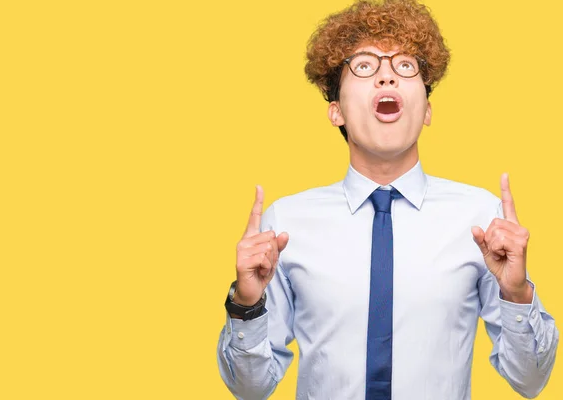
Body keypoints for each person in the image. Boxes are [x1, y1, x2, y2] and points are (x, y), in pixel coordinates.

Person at [216, 0, 559, 399]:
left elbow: (530, 381)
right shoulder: (286, 224)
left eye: (405, 66)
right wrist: (246, 303)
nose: (386, 78)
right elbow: (249, 390)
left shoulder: (481, 221)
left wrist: (517, 294)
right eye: (364, 66)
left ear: (427, 109)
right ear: (336, 111)